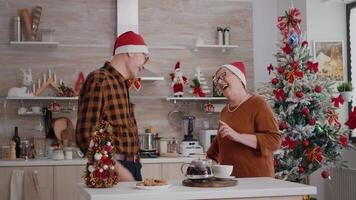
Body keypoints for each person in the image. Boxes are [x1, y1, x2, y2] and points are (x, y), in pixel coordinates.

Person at [76, 31, 149, 181]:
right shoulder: (100, 80)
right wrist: (119, 171)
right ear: (130, 52)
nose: (144, 65)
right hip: (111, 171)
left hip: (132, 167)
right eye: (144, 57)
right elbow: (86, 136)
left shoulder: (121, 84)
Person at [207, 61, 281, 178]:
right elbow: (220, 140)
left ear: (239, 77)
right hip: (230, 181)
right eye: (217, 80)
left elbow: (274, 141)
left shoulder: (258, 104)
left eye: (224, 75)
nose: (220, 82)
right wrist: (209, 159)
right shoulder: (225, 111)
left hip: (258, 181)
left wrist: (238, 136)